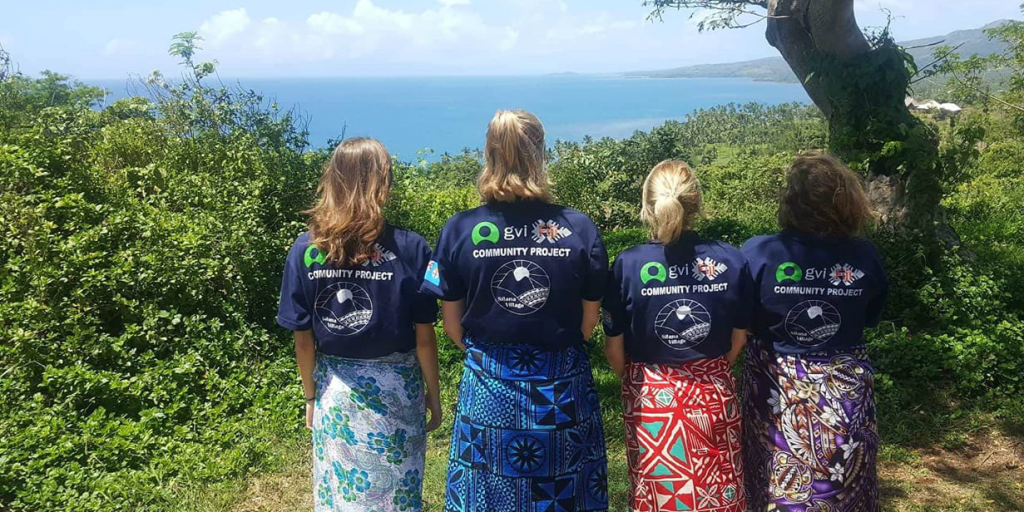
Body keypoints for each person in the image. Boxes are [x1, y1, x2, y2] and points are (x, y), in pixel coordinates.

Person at [421, 110, 609, 512]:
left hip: (489, 386)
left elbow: (451, 326)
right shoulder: (579, 228)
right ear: (540, 153)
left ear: (489, 154)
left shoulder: (458, 230)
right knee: (566, 489)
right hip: (562, 390)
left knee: (487, 493)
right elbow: (588, 322)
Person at [277, 137, 442, 512]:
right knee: (396, 494)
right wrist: (433, 394)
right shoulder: (412, 248)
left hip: (335, 393)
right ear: (382, 183)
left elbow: (303, 341)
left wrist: (310, 397)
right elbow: (424, 337)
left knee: (343, 494)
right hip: (398, 393)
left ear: (333, 181)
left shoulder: (305, 249)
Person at [740, 152, 888, 512]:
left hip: (776, 388)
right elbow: (870, 315)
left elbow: (741, 323)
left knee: (773, 479)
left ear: (790, 201)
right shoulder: (864, 255)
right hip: (845, 390)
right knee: (844, 482)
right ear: (847, 199)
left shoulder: (758, 253)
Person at [603, 160, 753, 512]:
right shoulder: (732, 260)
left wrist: (641, 381)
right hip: (713, 395)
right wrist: (711, 368)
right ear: (696, 202)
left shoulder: (628, 265)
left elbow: (614, 348)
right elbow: (738, 340)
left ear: (648, 204)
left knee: (660, 496)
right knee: (720, 490)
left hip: (651, 402)